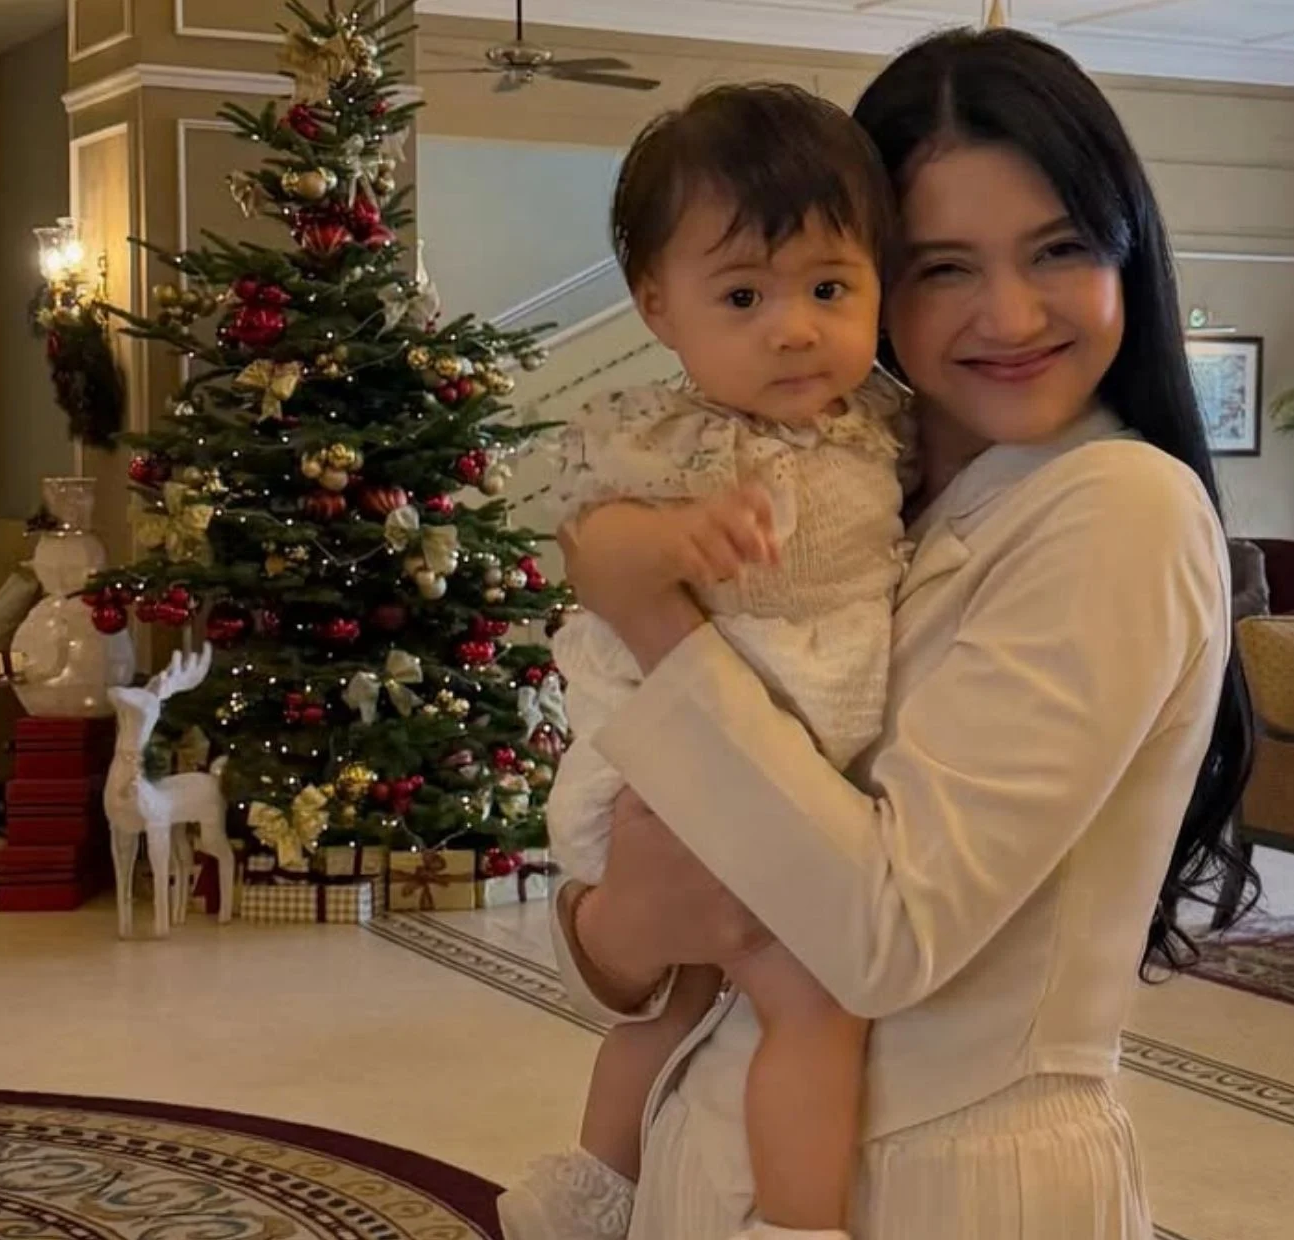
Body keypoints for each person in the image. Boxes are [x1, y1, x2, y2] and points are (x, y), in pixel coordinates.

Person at [552, 26, 1257, 1239]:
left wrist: (646, 607)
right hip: (714, 1151)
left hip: (945, 1185)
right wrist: (619, 925)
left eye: (1059, 249)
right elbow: (642, 931)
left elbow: (883, 939)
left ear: (1125, 254)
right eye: (941, 267)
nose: (1011, 313)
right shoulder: (859, 482)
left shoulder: (1116, 509)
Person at [500, 85, 911, 1240]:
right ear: (657, 306)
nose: (793, 328)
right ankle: (787, 1222)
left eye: (828, 288)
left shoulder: (881, 423)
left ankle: (594, 1192)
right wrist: (674, 539)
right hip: (666, 764)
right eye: (742, 296)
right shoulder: (664, 436)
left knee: (678, 998)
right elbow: (595, 545)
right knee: (815, 1004)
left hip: (766, 746)